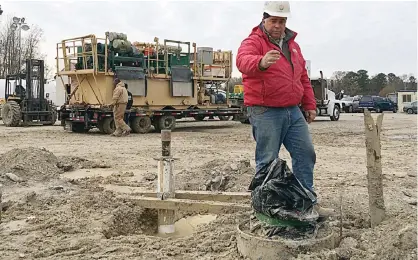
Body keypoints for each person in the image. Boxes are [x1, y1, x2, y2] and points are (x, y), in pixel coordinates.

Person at [236, 1, 335, 217]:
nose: (278, 25)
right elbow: (242, 61)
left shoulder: (293, 46)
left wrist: (309, 104)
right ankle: (265, 209)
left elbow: (302, 78)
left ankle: (305, 202)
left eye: (281, 21)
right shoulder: (253, 42)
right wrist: (261, 62)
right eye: (273, 21)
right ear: (264, 20)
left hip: (293, 110)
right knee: (267, 160)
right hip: (265, 111)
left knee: (305, 154)